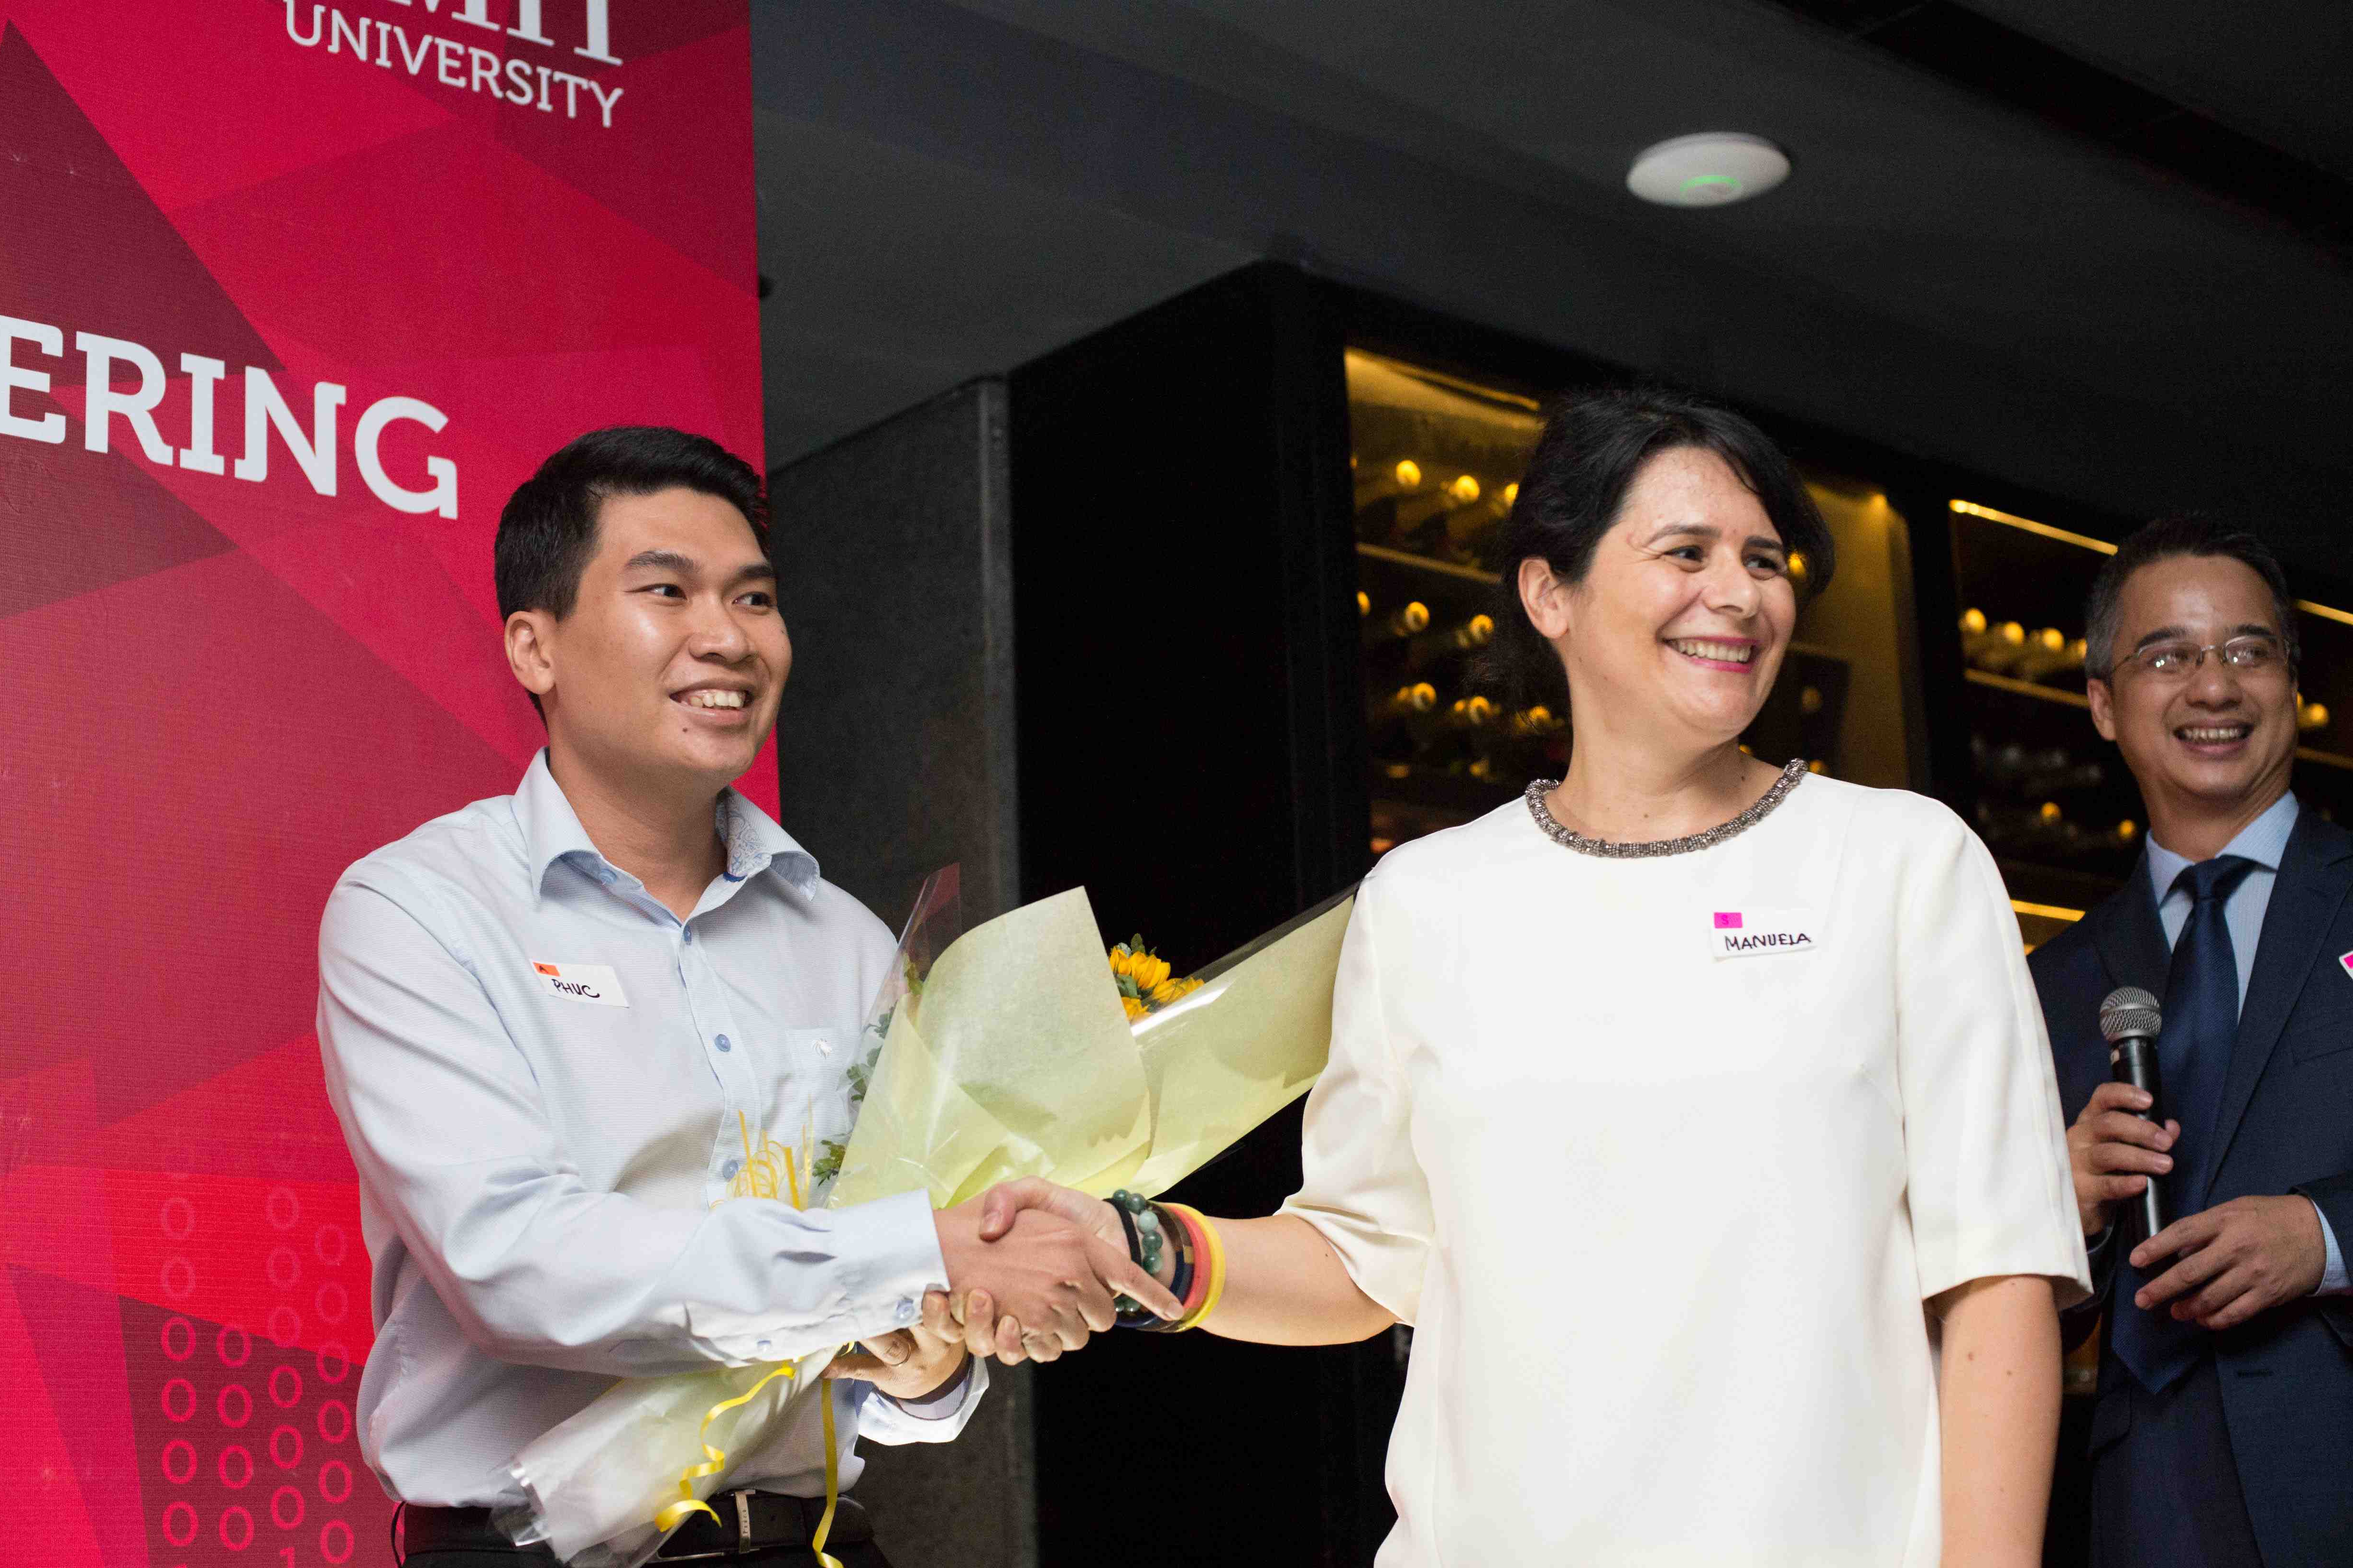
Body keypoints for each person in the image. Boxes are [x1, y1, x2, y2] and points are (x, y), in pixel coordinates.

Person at [959, 388, 2091, 1565]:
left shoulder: (1904, 861)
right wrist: (1137, 1244)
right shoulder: (1427, 899)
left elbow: (1998, 1272)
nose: (1740, 593)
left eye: (1765, 559)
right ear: (1549, 592)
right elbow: (1363, 1253)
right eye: (1684, 553)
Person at [316, 428, 1176, 1568]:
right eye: (665, 590)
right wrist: (923, 1251)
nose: (726, 636)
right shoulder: (419, 910)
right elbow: (519, 1263)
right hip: (526, 1549)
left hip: (809, 1540)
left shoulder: (846, 939)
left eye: (754, 598)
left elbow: (895, 1352)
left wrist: (930, 1353)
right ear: (535, 645)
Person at [2027, 517, 2353, 1568]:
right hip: (2153, 1497)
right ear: (2102, 703)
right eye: (2166, 655)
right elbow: (2001, 1314)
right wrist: (2060, 1205)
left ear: (2291, 683)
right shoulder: (2048, 982)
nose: (2212, 686)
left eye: (2246, 651)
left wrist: (2325, 1236)